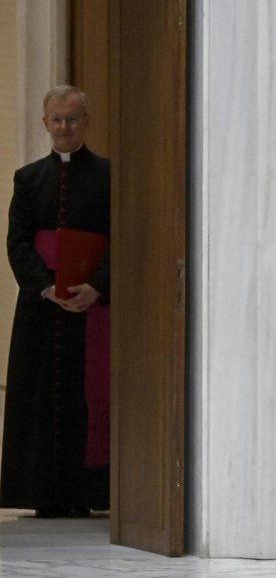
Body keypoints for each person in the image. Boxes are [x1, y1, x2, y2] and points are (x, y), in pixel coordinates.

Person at [1, 85, 111, 517]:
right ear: (45, 123)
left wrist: (97, 287)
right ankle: (40, 490)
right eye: (57, 119)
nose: (64, 127)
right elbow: (17, 242)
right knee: (41, 392)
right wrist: (48, 288)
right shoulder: (28, 179)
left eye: (73, 119)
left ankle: (94, 492)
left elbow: (120, 240)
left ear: (86, 122)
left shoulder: (107, 174)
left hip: (94, 309)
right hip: (41, 309)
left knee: (90, 393)